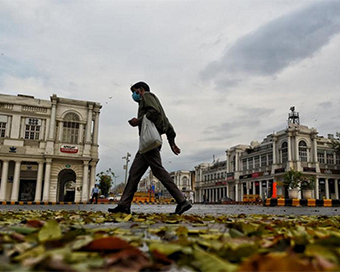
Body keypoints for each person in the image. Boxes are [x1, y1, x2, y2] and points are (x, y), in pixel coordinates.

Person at [108, 82, 192, 215]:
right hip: (150, 144)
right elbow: (167, 125)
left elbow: (154, 112)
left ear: (141, 90)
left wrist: (138, 121)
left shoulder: (147, 96)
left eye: (135, 92)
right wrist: (172, 143)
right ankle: (124, 205)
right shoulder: (154, 101)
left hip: (149, 144)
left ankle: (182, 201)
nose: (134, 95)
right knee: (134, 173)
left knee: (157, 171)